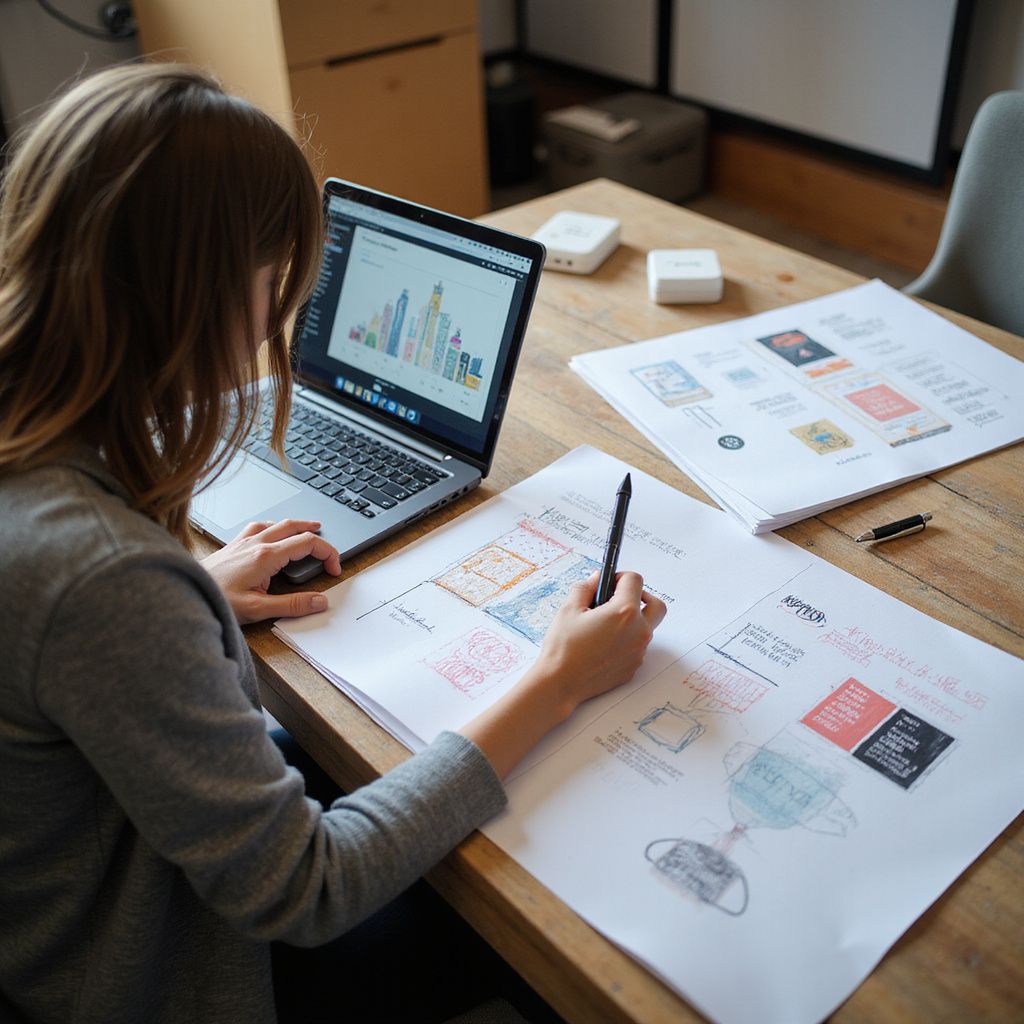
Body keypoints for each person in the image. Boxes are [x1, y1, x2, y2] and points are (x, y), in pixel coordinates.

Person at [0, 63, 666, 1024]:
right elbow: (307, 891)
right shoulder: (103, 583)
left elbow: (57, 643)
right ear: (207, 291)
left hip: (83, 879)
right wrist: (556, 679)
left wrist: (194, 594)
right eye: (280, 283)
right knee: (530, 912)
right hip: (147, 971)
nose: (290, 313)